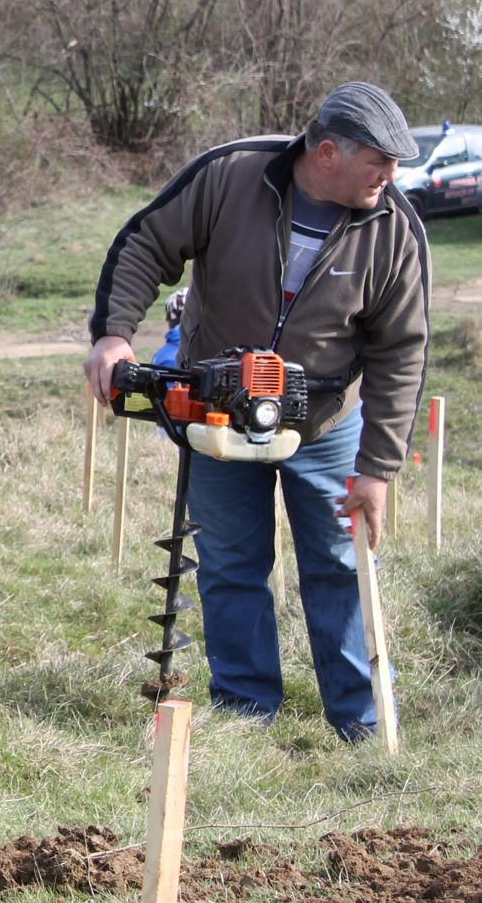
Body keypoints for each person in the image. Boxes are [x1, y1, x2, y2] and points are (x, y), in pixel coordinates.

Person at [83, 81, 430, 742]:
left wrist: (376, 470)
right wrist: (114, 334)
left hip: (326, 421)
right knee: (232, 563)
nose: (392, 177)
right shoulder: (230, 177)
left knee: (339, 563)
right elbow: (146, 243)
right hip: (217, 410)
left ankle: (359, 721)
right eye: (380, 162)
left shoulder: (394, 231)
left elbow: (401, 352)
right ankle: (247, 714)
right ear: (327, 152)